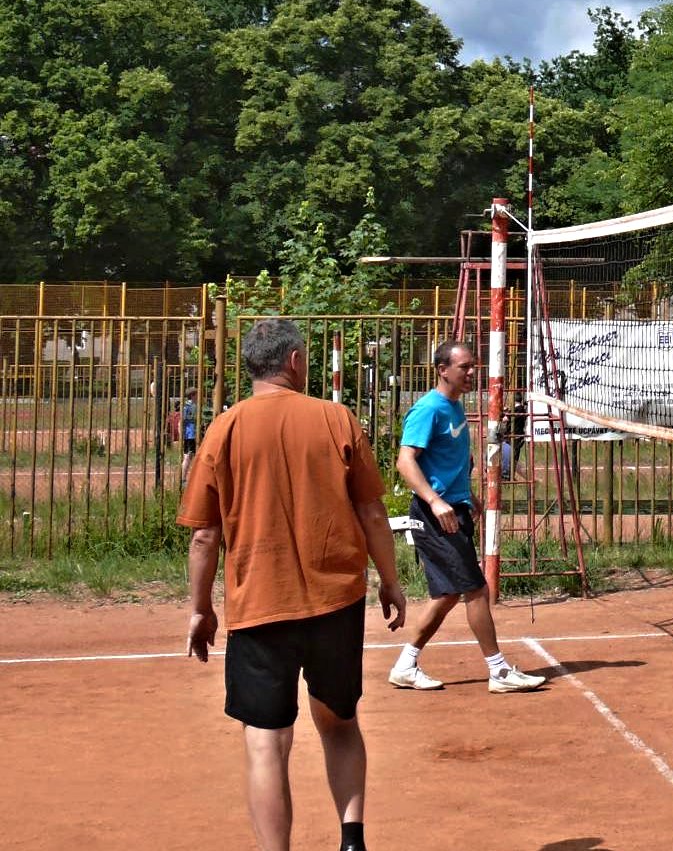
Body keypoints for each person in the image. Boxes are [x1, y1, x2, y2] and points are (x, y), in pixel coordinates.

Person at [178, 319, 406, 851]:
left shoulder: (224, 429)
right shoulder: (335, 418)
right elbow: (373, 512)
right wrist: (390, 581)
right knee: (339, 723)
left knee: (266, 742)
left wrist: (200, 609)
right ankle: (352, 840)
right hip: (335, 601)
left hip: (259, 604)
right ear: (296, 361)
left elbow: (205, 535)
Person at [388, 341, 546, 694]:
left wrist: (466, 495)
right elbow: (405, 462)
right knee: (476, 589)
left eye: (474, 366)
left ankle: (405, 666)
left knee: (447, 594)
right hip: (436, 515)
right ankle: (498, 671)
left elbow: (448, 463)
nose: (472, 372)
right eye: (465, 367)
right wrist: (436, 501)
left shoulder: (455, 407)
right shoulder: (429, 410)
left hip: (453, 509)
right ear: (442, 370)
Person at [180, 388, 199, 483]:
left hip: (190, 434)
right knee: (188, 456)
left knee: (189, 456)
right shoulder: (190, 406)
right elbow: (181, 421)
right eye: (196, 394)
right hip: (190, 434)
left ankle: (185, 478)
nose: (198, 396)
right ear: (192, 395)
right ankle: (183, 479)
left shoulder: (190, 405)